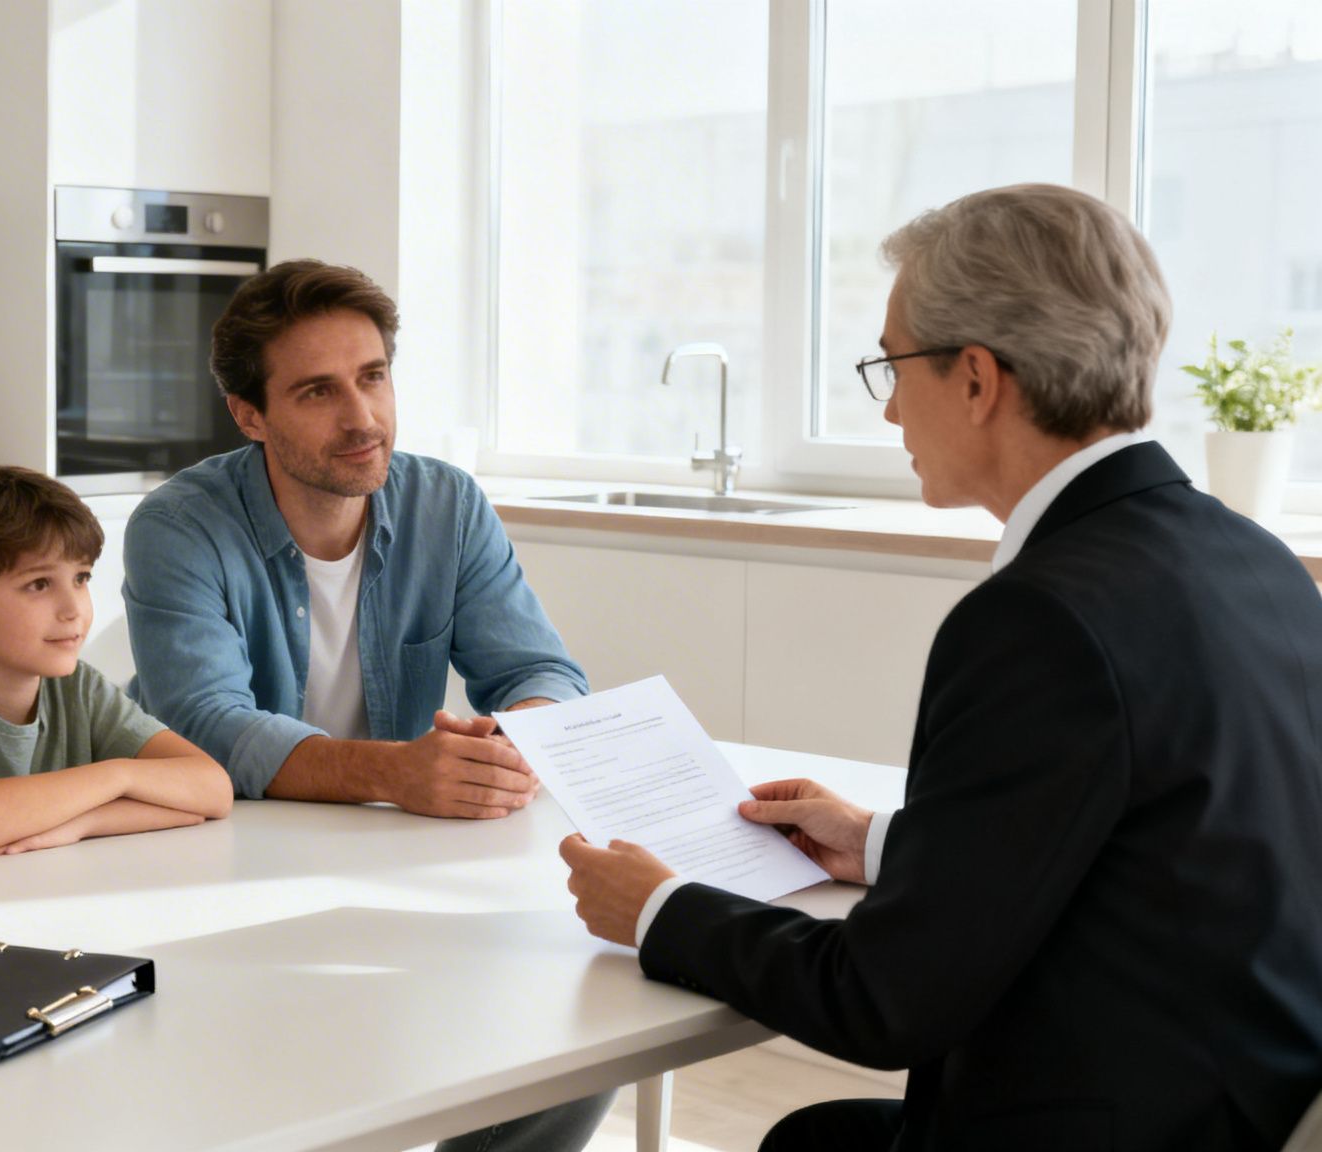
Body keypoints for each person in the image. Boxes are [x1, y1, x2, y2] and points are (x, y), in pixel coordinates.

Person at [561, 183, 1322, 1151]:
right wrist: (881, 843)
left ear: (974, 379)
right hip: (1237, 1105)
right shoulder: (1254, 560)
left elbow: (882, 1004)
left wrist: (658, 909)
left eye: (890, 365)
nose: (885, 414)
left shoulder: (1035, 619)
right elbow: (1142, 847)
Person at [123, 259, 612, 1151]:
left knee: (578, 1028)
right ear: (249, 414)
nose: (362, 417)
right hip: (212, 867)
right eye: (317, 391)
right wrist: (399, 774)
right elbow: (208, 722)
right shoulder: (179, 525)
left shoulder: (446, 503)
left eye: (373, 377)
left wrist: (514, 740)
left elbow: (540, 668)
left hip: (389, 856)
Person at [0, 465, 230, 858]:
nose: (74, 609)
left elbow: (212, 788)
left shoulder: (80, 689)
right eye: (39, 585)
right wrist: (117, 781)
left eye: (81, 578)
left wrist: (84, 823)